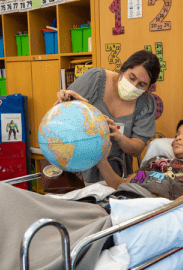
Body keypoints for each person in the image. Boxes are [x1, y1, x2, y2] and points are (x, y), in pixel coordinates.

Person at [55, 50, 161, 184]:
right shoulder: (95, 79)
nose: (133, 86)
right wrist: (65, 102)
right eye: (131, 78)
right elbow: (61, 119)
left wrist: (118, 136)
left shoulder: (145, 104)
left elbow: (137, 148)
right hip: (77, 163)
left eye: (141, 85)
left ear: (149, 87)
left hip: (114, 174)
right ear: (123, 69)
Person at [96, 116, 183, 200]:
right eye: (177, 135)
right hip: (121, 195)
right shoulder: (156, 159)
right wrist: (102, 162)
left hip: (149, 203)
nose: (178, 138)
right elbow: (120, 185)